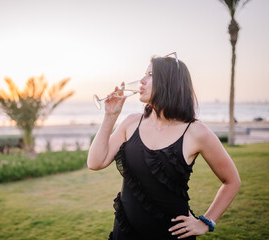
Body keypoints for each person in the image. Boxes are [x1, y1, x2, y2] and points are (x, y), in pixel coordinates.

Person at [87, 52, 241, 240]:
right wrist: (110, 116)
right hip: (125, 233)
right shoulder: (131, 123)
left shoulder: (197, 132)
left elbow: (232, 181)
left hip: (171, 235)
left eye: (150, 75)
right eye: (144, 74)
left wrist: (206, 222)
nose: (141, 80)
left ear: (169, 82)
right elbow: (95, 162)